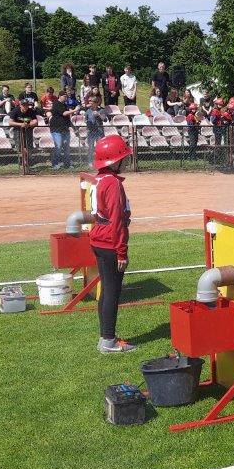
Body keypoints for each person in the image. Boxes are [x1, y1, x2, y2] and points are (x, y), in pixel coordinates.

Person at [89, 137, 135, 353]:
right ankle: (108, 341)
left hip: (100, 239)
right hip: (110, 242)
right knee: (112, 292)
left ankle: (106, 337)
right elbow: (116, 220)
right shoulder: (113, 183)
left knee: (107, 290)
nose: (126, 161)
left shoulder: (100, 179)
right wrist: (121, 252)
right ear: (114, 161)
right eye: (123, 157)